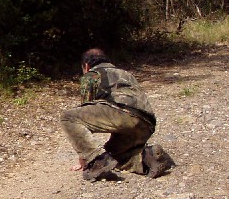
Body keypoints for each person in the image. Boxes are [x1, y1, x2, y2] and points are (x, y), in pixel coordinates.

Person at [60, 48, 174, 181]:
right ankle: (147, 158)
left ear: (86, 66)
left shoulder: (92, 75)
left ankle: (97, 163)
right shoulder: (125, 73)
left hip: (121, 113)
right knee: (112, 156)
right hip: (146, 123)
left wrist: (86, 158)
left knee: (68, 117)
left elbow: (87, 111)